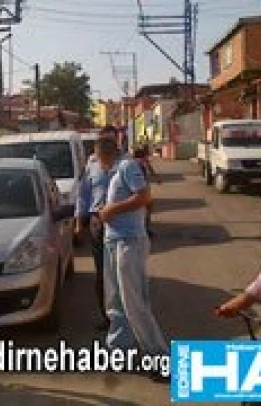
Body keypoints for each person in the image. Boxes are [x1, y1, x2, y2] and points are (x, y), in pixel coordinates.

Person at [98, 138, 169, 372]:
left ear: (104, 154)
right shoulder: (115, 172)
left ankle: (159, 358)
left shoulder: (127, 166)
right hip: (113, 240)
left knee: (134, 303)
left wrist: (111, 209)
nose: (98, 163)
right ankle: (118, 351)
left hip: (129, 241)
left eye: (98, 158)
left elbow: (144, 197)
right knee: (116, 302)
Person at [75, 125, 123, 331]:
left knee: (121, 273)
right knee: (102, 274)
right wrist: (80, 223)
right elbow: (83, 194)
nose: (106, 143)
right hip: (97, 223)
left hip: (121, 224)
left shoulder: (126, 164)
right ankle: (108, 317)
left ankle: (126, 317)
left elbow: (141, 196)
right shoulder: (91, 164)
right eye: (103, 140)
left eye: (110, 140)